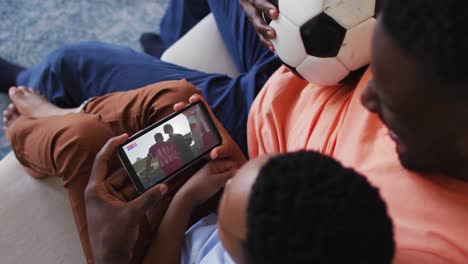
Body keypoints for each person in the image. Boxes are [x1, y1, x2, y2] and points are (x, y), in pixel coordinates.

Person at [244, 0, 468, 262]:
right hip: (288, 51)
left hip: (252, 123)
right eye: (374, 76)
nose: (366, 99)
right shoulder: (418, 52)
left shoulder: (413, 243)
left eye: (388, 101)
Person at [0, 0, 282, 156]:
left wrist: (78, 114)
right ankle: (163, 55)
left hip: (263, 115)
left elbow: (143, 163)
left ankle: (27, 84)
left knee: (71, 65)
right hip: (291, 72)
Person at [86, 134, 395, 264]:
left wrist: (107, 254)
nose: (231, 181)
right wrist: (192, 195)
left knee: (79, 139)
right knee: (176, 97)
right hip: (185, 216)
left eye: (230, 195)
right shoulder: (345, 233)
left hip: (156, 246)